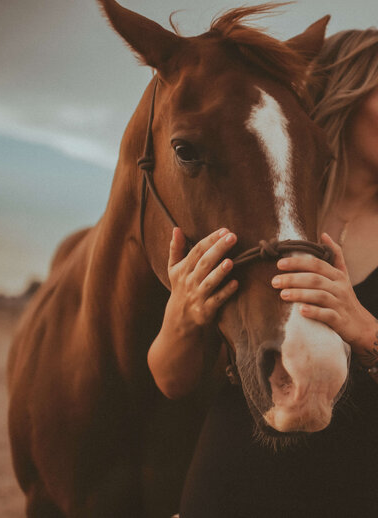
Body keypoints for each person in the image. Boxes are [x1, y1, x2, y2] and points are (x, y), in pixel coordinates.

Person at [147, 28, 378, 517]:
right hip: (232, 482)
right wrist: (181, 318)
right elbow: (172, 380)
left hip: (359, 487)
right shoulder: (264, 211)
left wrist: (365, 330)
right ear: (348, 91)